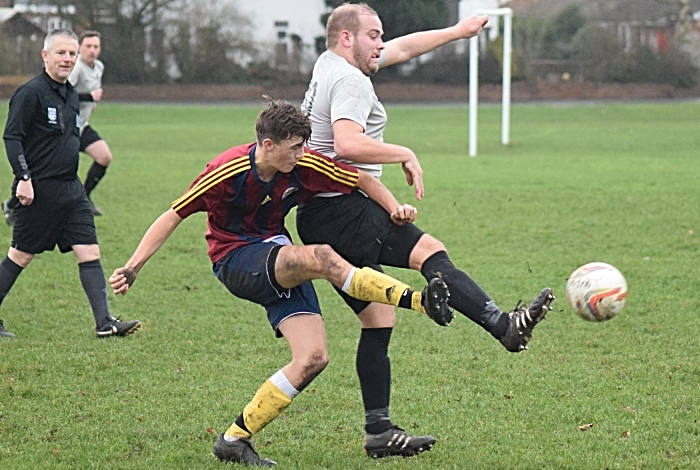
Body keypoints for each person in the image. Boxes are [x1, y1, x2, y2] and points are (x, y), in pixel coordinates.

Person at [108, 98, 452, 466]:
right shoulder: (225, 171)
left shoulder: (301, 164)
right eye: (293, 148)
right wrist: (133, 267)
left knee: (313, 358)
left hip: (276, 252)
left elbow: (362, 179)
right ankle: (419, 301)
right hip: (235, 258)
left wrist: (395, 210)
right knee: (320, 257)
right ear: (267, 146)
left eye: (303, 145)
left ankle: (233, 440)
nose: (301, 154)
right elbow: (173, 214)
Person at [298, 3, 555, 457]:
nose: (381, 44)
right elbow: (346, 142)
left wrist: (458, 31)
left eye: (380, 37)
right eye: (373, 36)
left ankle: (379, 432)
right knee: (428, 252)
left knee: (378, 317)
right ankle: (504, 326)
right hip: (343, 209)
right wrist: (405, 152)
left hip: (323, 212)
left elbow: (401, 49)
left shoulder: (330, 63)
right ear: (346, 38)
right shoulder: (350, 80)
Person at [0, 29, 141, 339]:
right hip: (38, 191)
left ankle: (105, 322)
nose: (67, 59)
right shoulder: (30, 93)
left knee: (89, 251)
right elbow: (12, 138)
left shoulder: (69, 94)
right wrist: (23, 178)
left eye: (71, 54)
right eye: (61, 53)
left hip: (71, 190)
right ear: (45, 56)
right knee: (20, 255)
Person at [68, 30, 110, 216]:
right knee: (48, 169)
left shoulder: (98, 67)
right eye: (88, 46)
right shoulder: (75, 68)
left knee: (104, 157)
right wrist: (88, 97)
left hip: (81, 127)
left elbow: (94, 89)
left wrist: (92, 103)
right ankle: (13, 204)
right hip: (65, 129)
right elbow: (62, 95)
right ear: (79, 48)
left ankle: (84, 199)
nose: (92, 50)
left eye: (96, 47)